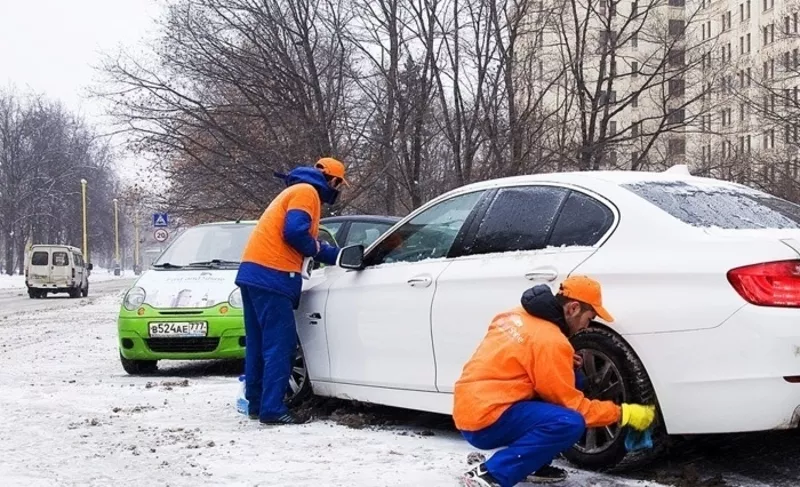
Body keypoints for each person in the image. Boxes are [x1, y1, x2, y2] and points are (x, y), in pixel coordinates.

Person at [453, 275, 656, 487]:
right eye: (590, 318)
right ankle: (491, 475)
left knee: (572, 379)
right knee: (568, 423)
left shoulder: (516, 314)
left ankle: (532, 464)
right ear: (573, 308)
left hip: (470, 406)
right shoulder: (551, 342)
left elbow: (521, 358)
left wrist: (564, 361)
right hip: (486, 422)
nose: (587, 327)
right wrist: (623, 413)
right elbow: (575, 408)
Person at [235, 157, 347, 425]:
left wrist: (332, 254)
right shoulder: (307, 192)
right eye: (339, 185)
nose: (338, 191)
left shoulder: (292, 191)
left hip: (253, 274)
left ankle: (257, 403)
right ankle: (273, 408)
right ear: (332, 180)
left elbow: (296, 235)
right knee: (279, 345)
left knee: (258, 344)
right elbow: (295, 233)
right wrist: (321, 250)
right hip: (273, 275)